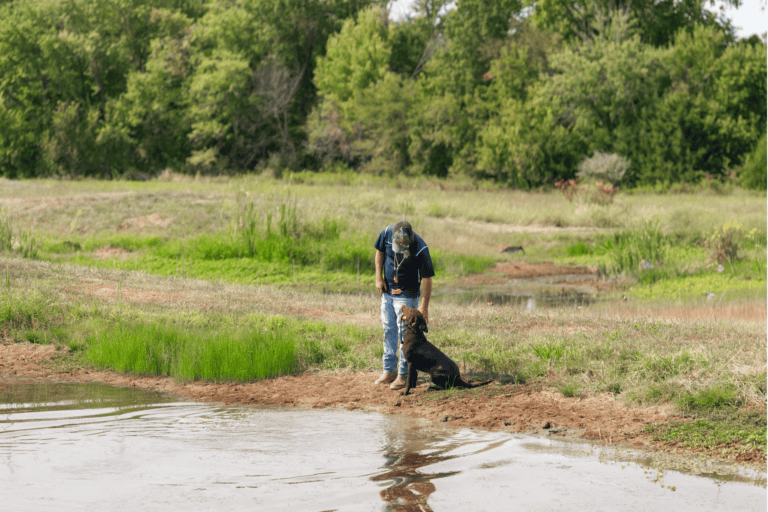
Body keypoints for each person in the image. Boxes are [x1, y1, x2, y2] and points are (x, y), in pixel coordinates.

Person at [373, 221, 435, 390]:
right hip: (387, 290)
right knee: (388, 329)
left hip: (407, 294)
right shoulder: (386, 233)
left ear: (412, 238)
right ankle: (389, 370)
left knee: (403, 335)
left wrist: (424, 308)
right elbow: (379, 252)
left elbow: (427, 279)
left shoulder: (421, 248)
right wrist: (378, 277)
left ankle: (403, 374)